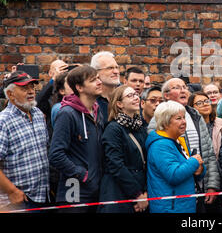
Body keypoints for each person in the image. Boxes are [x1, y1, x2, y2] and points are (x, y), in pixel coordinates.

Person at [148, 78, 220, 212]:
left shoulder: (194, 115)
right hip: (172, 203)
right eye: (177, 87)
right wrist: (194, 162)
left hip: (193, 194)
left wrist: (208, 180)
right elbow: (173, 172)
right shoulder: (160, 140)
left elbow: (208, 152)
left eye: (184, 87)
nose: (183, 90)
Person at [49, 65, 105, 213]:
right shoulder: (67, 114)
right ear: (79, 87)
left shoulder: (97, 112)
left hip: (95, 190)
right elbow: (55, 154)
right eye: (93, 80)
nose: (99, 82)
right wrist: (81, 174)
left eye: (98, 78)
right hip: (73, 190)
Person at [0, 71, 50, 211]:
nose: (31, 92)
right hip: (17, 200)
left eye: (32, 87)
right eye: (24, 89)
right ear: (10, 94)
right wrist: (12, 191)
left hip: (41, 195)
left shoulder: (38, 114)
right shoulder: (3, 121)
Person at [145, 101, 206, 213]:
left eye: (184, 118)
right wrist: (194, 162)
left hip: (182, 206)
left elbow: (190, 170)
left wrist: (200, 169)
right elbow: (173, 175)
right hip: (171, 208)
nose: (184, 122)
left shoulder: (176, 140)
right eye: (178, 118)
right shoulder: (160, 145)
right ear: (165, 122)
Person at [98, 85, 148, 213]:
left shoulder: (140, 127)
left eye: (136, 94)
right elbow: (115, 164)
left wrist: (145, 192)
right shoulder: (113, 129)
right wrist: (137, 194)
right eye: (130, 96)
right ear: (119, 104)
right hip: (118, 191)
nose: (136, 98)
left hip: (141, 189)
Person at [188, 91, 222, 159]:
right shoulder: (190, 128)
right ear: (191, 107)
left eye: (207, 101)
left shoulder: (220, 125)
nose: (205, 104)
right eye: (199, 103)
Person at [90, 51, 120, 123]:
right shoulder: (90, 99)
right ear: (96, 72)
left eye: (117, 67)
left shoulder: (125, 94)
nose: (116, 71)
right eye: (110, 68)